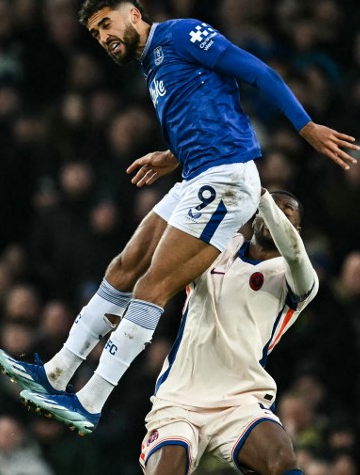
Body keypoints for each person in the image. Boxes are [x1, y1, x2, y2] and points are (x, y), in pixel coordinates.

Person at [0, 0, 357, 435]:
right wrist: (171, 155)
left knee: (153, 285)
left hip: (227, 179)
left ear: (134, 13)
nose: (103, 36)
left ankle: (92, 399)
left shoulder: (182, 35)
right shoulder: (150, 67)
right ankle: (58, 371)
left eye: (107, 23)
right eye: (94, 33)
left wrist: (305, 127)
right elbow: (206, 113)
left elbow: (258, 72)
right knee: (124, 267)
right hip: (195, 175)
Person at [130, 189, 316, 474]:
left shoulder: (297, 278)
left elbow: (294, 253)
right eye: (268, 211)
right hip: (180, 398)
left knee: (282, 460)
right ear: (253, 219)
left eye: (285, 214)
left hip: (240, 399)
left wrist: (263, 199)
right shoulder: (220, 249)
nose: (274, 215)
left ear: (297, 230)